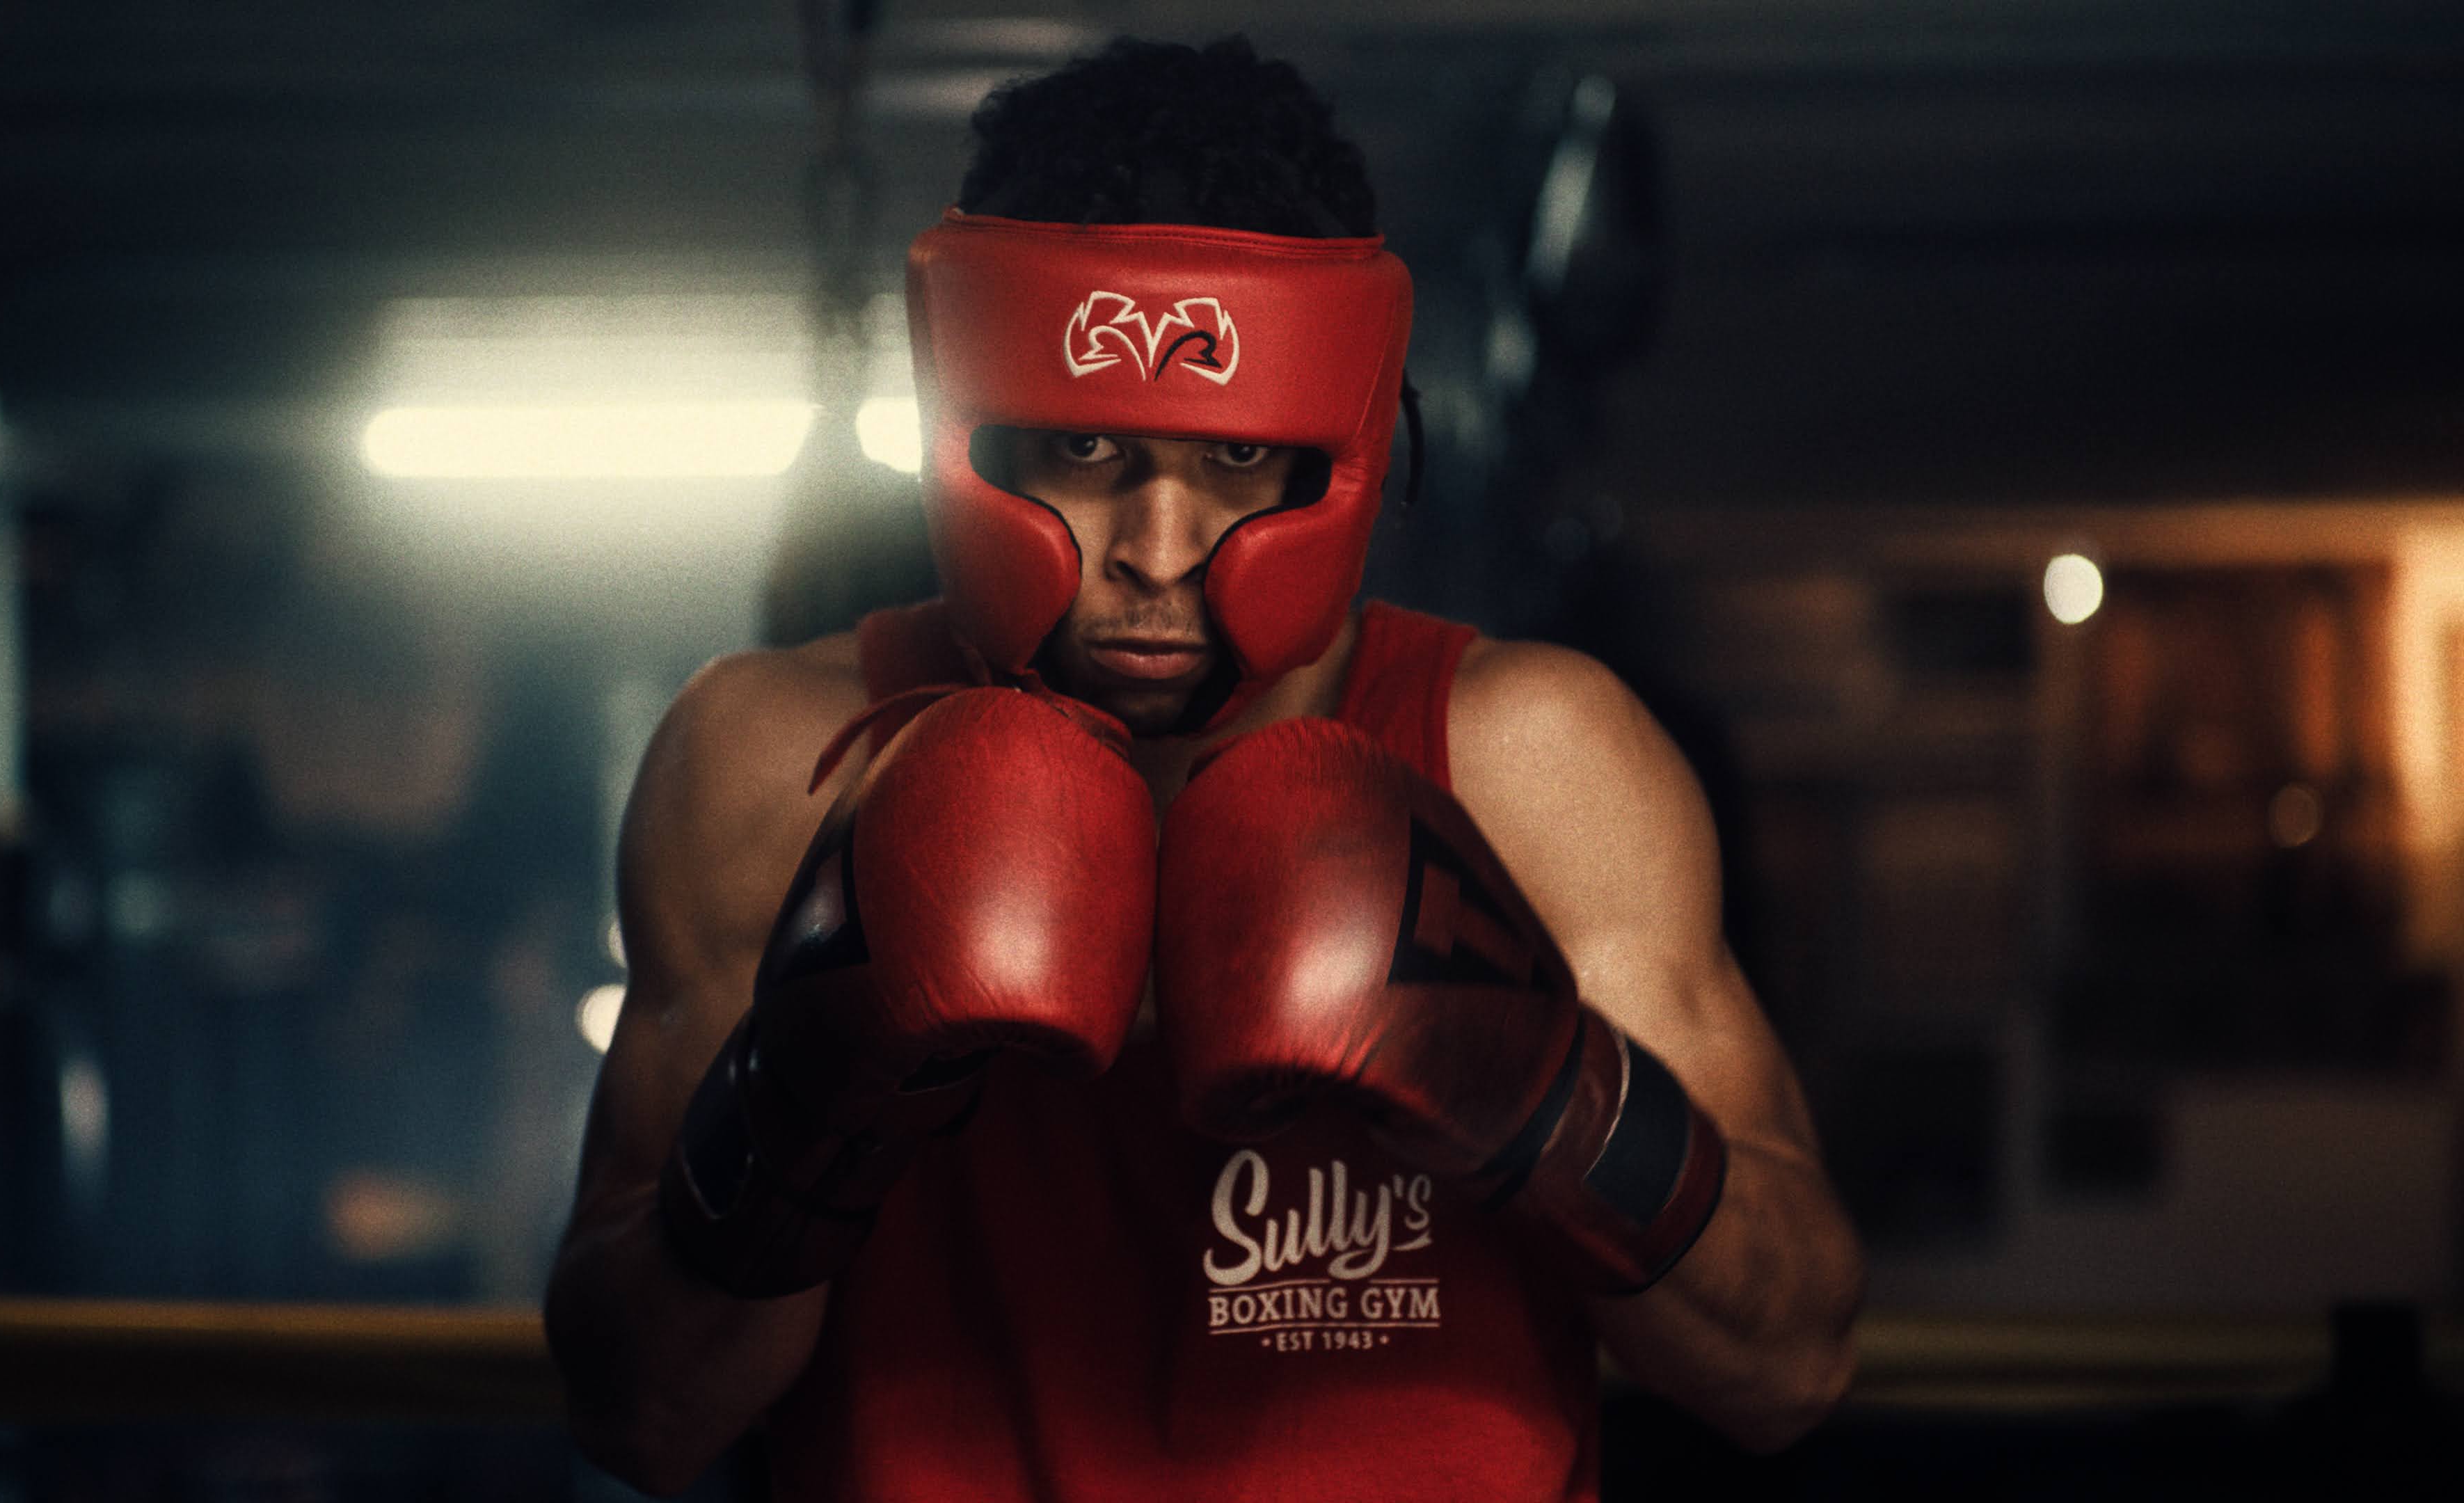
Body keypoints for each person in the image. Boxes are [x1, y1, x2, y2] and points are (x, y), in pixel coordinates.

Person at [546, 37, 1863, 1502]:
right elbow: (637, 1415)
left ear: (1354, 450)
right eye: (1087, 444)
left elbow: (1788, 1362)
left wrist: (1534, 1083)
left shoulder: (1534, 765)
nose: (1159, 553)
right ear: (961, 433)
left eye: (1239, 462)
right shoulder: (771, 763)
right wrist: (810, 1096)